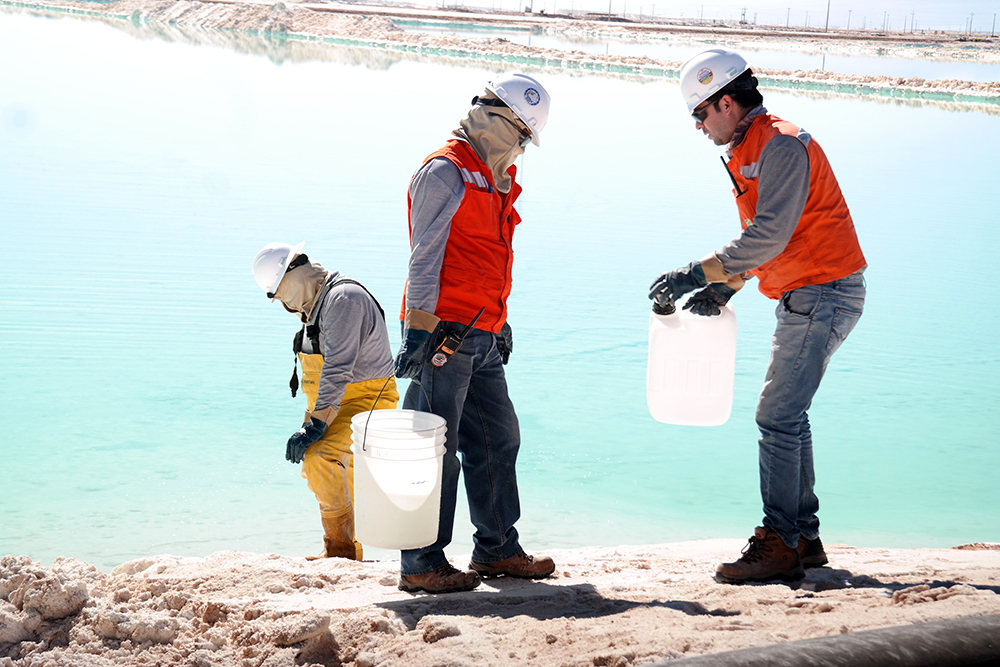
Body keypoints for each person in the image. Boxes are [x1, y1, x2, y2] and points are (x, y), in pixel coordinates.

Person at [649, 49, 867, 584]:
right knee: (789, 416)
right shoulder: (752, 146)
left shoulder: (782, 145)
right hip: (808, 293)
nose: (698, 126)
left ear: (726, 102)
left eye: (700, 114)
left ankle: (778, 541)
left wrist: (696, 274)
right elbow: (770, 241)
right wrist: (730, 285)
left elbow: (771, 232)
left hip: (824, 293)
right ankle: (803, 537)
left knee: (776, 417)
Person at [393, 73, 556, 594]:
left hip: (482, 334)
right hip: (442, 335)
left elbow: (486, 260)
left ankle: (497, 549)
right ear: (498, 121)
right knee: (432, 446)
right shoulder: (445, 171)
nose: (522, 150)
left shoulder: (490, 178)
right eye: (522, 137)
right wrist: (418, 330)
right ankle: (421, 561)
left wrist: (500, 322)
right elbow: (426, 257)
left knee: (498, 438)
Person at [252, 241, 398, 561]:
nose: (281, 302)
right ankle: (347, 548)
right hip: (336, 403)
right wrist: (311, 418)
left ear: (295, 274)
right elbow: (318, 379)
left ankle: (341, 550)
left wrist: (316, 427)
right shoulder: (315, 307)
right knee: (330, 471)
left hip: (368, 400)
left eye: (279, 292)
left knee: (320, 457)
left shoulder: (343, 299)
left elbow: (337, 368)